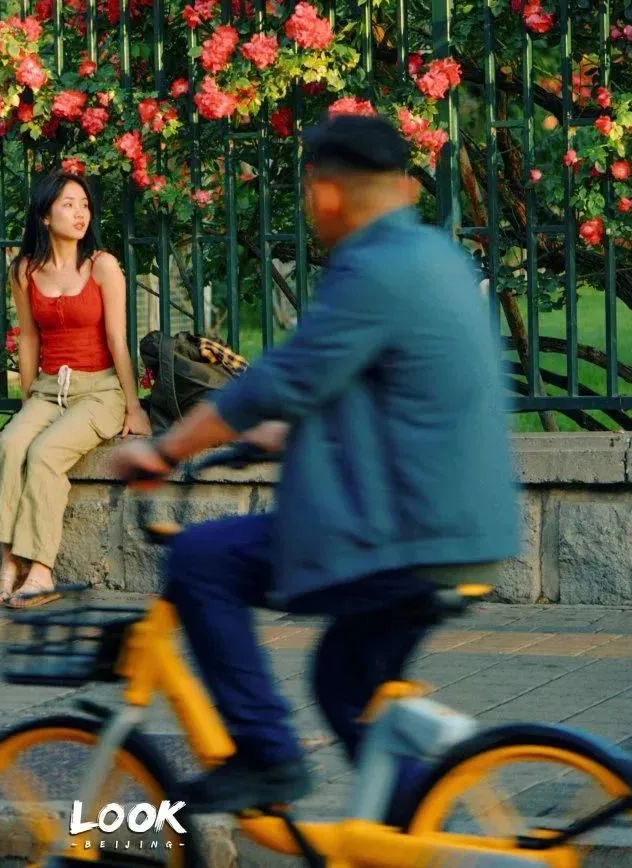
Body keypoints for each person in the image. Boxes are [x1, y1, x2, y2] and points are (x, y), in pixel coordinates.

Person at [114, 113, 517, 813]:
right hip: (465, 531)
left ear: (326, 194)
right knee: (346, 687)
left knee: (203, 561)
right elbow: (384, 387)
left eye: (308, 191)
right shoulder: (436, 256)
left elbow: (280, 380)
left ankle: (267, 760)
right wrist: (281, 436)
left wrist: (163, 448)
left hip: (401, 533)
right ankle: (414, 838)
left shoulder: (371, 266)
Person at [0, 167, 152, 609]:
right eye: (68, 205)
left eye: (84, 205)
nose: (80, 214)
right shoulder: (24, 271)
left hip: (99, 392)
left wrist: (133, 407)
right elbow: (28, 339)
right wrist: (26, 406)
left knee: (44, 454)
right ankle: (8, 564)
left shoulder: (102, 266)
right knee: (12, 445)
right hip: (47, 390)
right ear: (44, 215)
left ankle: (41, 570)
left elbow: (118, 339)